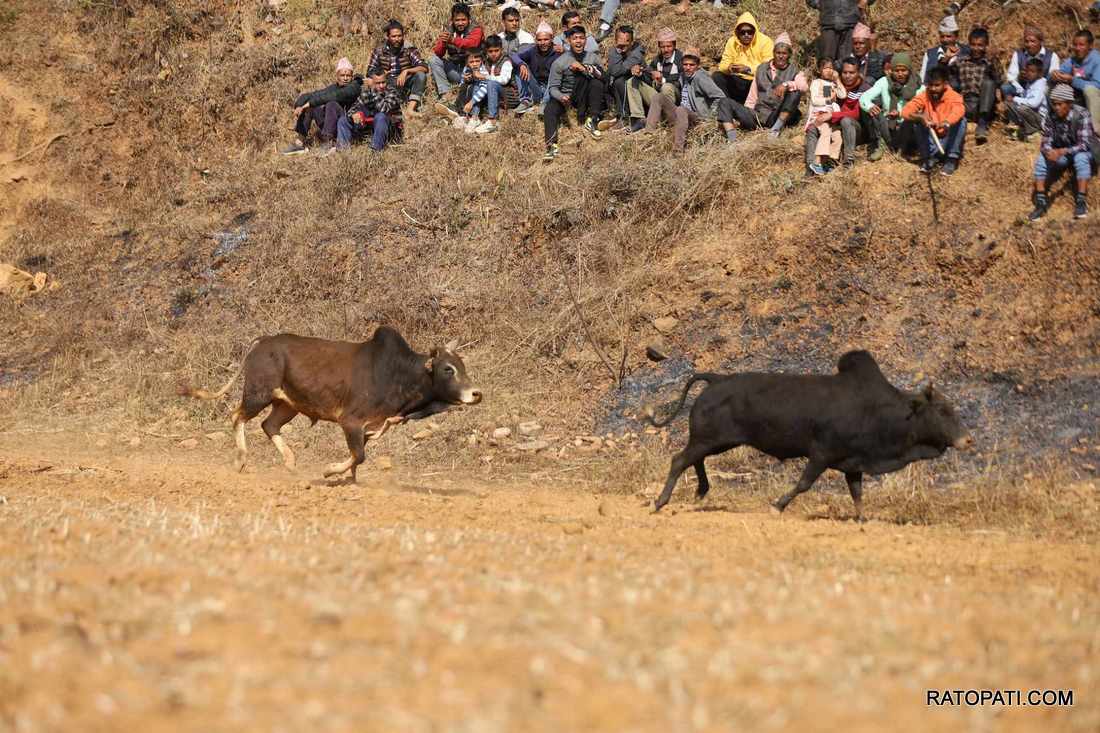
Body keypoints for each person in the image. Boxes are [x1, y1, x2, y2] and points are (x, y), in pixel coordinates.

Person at [643, 47, 740, 152]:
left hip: (697, 118)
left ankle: (678, 150)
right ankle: (649, 135)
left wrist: (711, 116)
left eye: (691, 65)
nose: (688, 67)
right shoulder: (683, 76)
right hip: (681, 116)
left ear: (697, 66)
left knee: (681, 109)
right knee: (658, 97)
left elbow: (720, 97)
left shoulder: (700, 78)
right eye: (685, 65)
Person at [1028, 84, 1094, 221]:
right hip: (1062, 153)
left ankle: (1081, 202)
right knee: (1041, 160)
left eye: (1060, 104)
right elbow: (1045, 141)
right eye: (1054, 104)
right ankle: (1041, 203)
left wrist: (1063, 151)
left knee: (1081, 159)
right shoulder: (1051, 116)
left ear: (1069, 103)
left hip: (1080, 151)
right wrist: (1048, 152)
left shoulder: (1082, 114)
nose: (1056, 107)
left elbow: (1085, 144)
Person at [543, 26, 608, 160]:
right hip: (567, 97)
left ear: (585, 40)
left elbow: (604, 77)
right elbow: (553, 88)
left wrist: (584, 68)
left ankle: (593, 120)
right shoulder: (559, 62)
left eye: (581, 38)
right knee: (550, 109)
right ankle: (551, 144)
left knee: (596, 82)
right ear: (568, 41)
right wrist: (561, 97)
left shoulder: (593, 57)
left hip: (586, 95)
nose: (578, 42)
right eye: (575, 38)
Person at [804, 56, 876, 171]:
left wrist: (832, 115)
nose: (848, 76)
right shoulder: (830, 84)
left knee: (846, 121)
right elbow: (825, 99)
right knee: (813, 128)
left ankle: (848, 161)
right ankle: (812, 166)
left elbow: (855, 114)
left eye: (852, 73)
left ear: (859, 72)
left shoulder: (865, 88)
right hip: (834, 123)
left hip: (855, 129)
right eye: (845, 72)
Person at [728, 33, 806, 138]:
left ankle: (775, 129)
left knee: (795, 92)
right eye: (778, 53)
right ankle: (732, 139)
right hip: (760, 114)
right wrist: (748, 113)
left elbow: (803, 86)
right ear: (773, 53)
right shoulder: (761, 69)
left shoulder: (794, 70)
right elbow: (753, 95)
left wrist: (786, 84)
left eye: (784, 53)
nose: (781, 56)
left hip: (777, 114)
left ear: (789, 55)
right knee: (725, 102)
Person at [282, 58, 363, 155]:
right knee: (312, 107)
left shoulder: (355, 87)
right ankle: (299, 143)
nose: (345, 78)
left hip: (346, 124)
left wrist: (309, 103)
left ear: (352, 77)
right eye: (342, 75)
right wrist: (299, 106)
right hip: (332, 123)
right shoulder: (333, 88)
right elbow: (312, 95)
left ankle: (328, 142)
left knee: (331, 103)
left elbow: (337, 95)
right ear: (337, 76)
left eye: (348, 76)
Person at [901, 65, 966, 175]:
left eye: (937, 85)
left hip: (946, 139)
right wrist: (920, 117)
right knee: (917, 122)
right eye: (930, 85)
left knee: (961, 121)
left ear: (945, 84)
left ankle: (951, 159)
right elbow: (905, 111)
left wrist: (947, 122)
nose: (933, 89)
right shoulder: (924, 95)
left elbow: (959, 110)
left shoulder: (954, 96)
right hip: (932, 141)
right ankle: (928, 158)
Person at [859, 51, 921, 157]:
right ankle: (881, 145)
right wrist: (870, 107)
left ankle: (904, 150)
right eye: (897, 71)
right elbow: (864, 97)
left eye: (903, 70)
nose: (900, 74)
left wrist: (900, 113)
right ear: (891, 71)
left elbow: (921, 107)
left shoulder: (918, 86)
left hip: (908, 127)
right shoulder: (884, 82)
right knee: (876, 113)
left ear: (909, 70)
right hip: (889, 126)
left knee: (911, 120)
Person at [625, 27, 683, 133]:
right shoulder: (658, 59)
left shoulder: (681, 59)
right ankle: (639, 119)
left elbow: (681, 81)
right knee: (632, 81)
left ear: (674, 46)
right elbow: (649, 74)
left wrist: (663, 79)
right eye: (663, 47)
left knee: (667, 87)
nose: (666, 50)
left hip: (674, 101)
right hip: (658, 99)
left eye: (669, 46)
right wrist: (640, 73)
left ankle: (667, 119)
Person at [367, 20, 429, 115]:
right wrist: (381, 73)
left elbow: (424, 67)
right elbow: (370, 71)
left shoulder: (408, 48)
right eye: (394, 36)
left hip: (405, 82)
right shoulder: (379, 51)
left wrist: (407, 71)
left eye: (399, 36)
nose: (397, 39)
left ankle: (410, 109)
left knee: (421, 75)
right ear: (387, 37)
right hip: (387, 83)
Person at [713, 12, 773, 104]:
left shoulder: (765, 42)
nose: (746, 35)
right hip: (738, 80)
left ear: (755, 31)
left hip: (755, 81)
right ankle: (729, 105)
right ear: (737, 32)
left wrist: (748, 69)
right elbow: (723, 65)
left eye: (750, 32)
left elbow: (769, 68)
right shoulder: (732, 42)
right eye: (742, 32)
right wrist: (729, 68)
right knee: (717, 76)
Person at [955, 26, 1002, 144]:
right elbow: (947, 76)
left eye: (980, 45)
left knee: (989, 83)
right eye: (973, 45)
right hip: (965, 103)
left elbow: (1000, 79)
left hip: (982, 105)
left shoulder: (990, 61)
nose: (976, 48)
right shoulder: (961, 61)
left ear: (986, 45)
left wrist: (993, 62)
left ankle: (982, 125)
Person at [1050, 29, 1100, 136]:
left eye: (1081, 45)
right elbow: (1060, 71)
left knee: (1090, 90)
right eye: (1075, 45)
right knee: (1049, 86)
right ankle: (1053, 123)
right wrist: (1054, 74)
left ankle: (1096, 131)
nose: (1077, 48)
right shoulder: (1073, 60)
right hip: (1079, 98)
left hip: (1095, 100)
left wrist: (1073, 80)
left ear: (1090, 46)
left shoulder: (1097, 60)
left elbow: (1097, 85)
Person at [429, 3, 484, 99]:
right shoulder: (449, 30)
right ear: (452, 20)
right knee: (434, 60)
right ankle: (446, 94)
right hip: (457, 72)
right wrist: (443, 41)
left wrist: (452, 40)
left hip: (474, 72)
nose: (460, 23)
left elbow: (472, 44)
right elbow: (438, 53)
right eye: (457, 20)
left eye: (463, 20)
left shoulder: (476, 29)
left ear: (469, 19)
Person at [340, 73, 403, 151]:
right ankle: (343, 149)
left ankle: (375, 150)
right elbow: (352, 109)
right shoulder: (367, 93)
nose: (381, 86)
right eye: (378, 83)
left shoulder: (392, 92)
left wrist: (374, 91)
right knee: (343, 120)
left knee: (381, 116)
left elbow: (384, 109)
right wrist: (353, 114)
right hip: (371, 128)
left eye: (383, 82)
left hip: (390, 129)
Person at [513, 22, 560, 117]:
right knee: (520, 67)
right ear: (536, 40)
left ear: (552, 38)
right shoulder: (533, 50)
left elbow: (571, 57)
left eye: (546, 39)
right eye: (539, 40)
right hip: (537, 88)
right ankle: (526, 100)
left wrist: (565, 51)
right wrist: (522, 64)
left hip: (551, 88)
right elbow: (514, 56)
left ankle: (545, 103)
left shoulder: (558, 51)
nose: (543, 43)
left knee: (556, 69)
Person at [805, 58, 843, 174]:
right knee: (826, 132)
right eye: (826, 68)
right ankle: (816, 162)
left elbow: (842, 95)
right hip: (819, 116)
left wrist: (837, 80)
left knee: (838, 137)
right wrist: (829, 99)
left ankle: (828, 161)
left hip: (831, 117)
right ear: (820, 70)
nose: (829, 71)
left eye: (831, 68)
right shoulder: (817, 83)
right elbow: (816, 100)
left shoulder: (831, 84)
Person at [1002, 27, 1059, 103]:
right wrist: (1019, 78)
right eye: (1026, 41)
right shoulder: (1019, 54)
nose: (1029, 45)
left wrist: (1038, 82)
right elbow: (1011, 77)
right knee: (1006, 88)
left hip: (1042, 91)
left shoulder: (1051, 56)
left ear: (1040, 42)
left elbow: (1052, 79)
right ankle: (1012, 109)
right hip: (1023, 90)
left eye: (1032, 41)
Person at [606, 26, 648, 129]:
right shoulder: (614, 51)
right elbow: (613, 71)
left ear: (632, 42)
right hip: (623, 85)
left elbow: (616, 71)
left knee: (619, 81)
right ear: (615, 41)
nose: (623, 44)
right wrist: (618, 52)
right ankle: (617, 113)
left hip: (639, 85)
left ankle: (625, 117)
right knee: (608, 78)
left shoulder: (636, 54)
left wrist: (618, 53)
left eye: (627, 41)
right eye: (620, 41)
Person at [807, 0, 875, 62]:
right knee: (827, 59)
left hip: (851, 22)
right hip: (828, 22)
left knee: (849, 59)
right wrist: (821, 5)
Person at [1003, 58, 1048, 141]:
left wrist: (1015, 98)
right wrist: (1014, 84)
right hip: (1032, 114)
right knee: (1009, 104)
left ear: (1040, 73)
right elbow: (1025, 95)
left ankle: (1034, 131)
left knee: (1022, 108)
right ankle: (1020, 127)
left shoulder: (1041, 84)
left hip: (1039, 118)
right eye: (1027, 71)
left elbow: (1033, 103)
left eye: (1032, 71)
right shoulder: (1031, 82)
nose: (1029, 74)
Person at [920, 15, 969, 87]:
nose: (945, 40)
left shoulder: (966, 52)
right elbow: (923, 80)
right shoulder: (930, 54)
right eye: (942, 36)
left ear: (956, 36)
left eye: (948, 36)